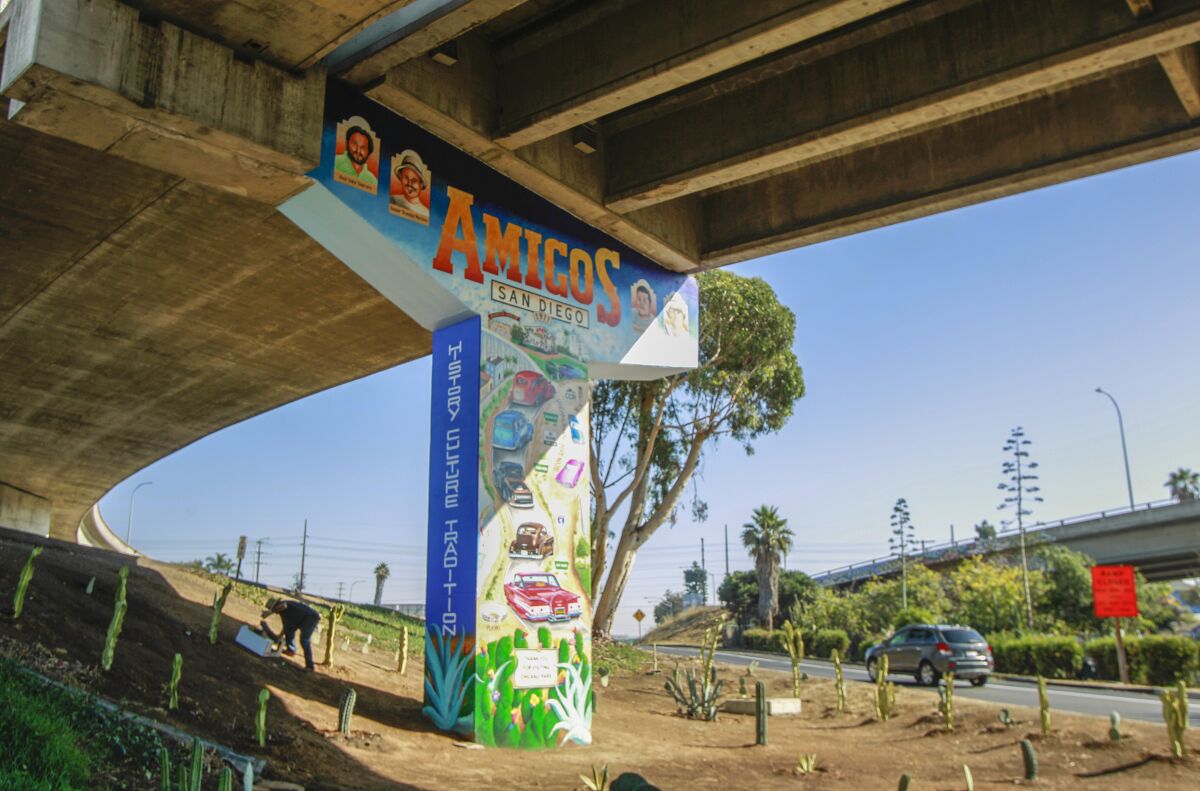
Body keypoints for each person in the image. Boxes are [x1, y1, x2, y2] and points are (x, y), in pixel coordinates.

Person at [260, 596, 321, 671]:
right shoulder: (283, 613)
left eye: (274, 610)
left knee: (304, 640)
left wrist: (270, 612)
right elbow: (285, 626)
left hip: (310, 617)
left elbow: (284, 606)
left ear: (275, 606)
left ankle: (310, 666)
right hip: (300, 619)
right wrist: (280, 635)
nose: (275, 613)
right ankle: (291, 650)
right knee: (289, 630)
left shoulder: (284, 604)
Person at [333, 125, 378, 189]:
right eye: (355, 144)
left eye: (363, 148)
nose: (358, 150)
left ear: (368, 152)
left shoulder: (373, 181)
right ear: (346, 143)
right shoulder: (334, 162)